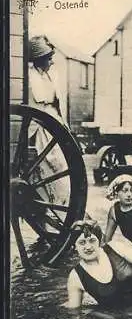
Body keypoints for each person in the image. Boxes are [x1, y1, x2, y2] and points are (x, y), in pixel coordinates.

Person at [28, 35, 70, 217]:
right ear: (39, 60)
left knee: (62, 168)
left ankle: (62, 211)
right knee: (50, 168)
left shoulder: (49, 75)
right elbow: (37, 107)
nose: (52, 62)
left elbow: (57, 104)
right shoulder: (31, 77)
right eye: (49, 58)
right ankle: (53, 215)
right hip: (41, 128)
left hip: (54, 125)